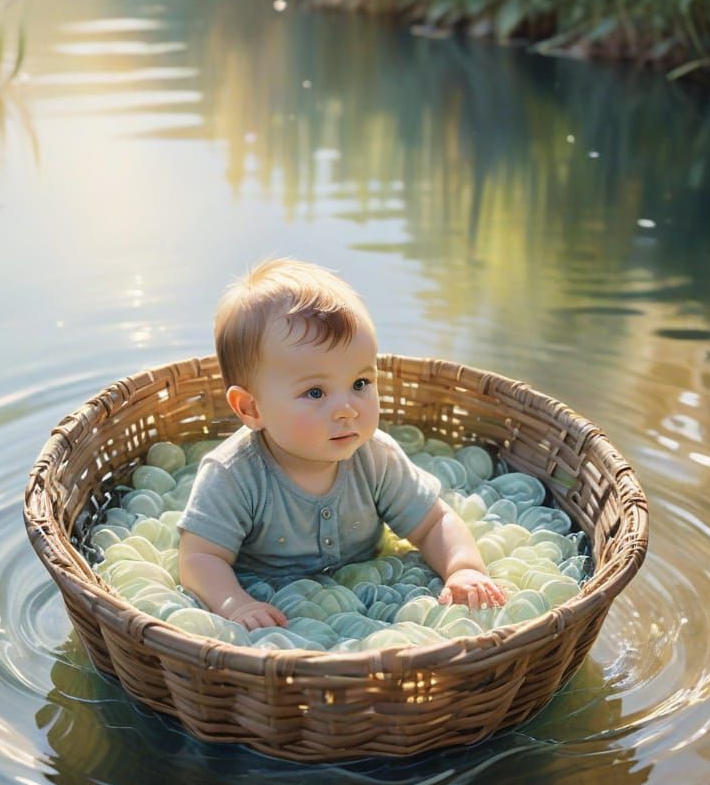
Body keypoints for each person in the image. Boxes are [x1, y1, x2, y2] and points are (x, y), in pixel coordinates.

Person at [177, 258, 506, 630]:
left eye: (360, 384)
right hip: (272, 602)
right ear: (251, 408)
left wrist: (462, 568)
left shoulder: (376, 457)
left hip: (365, 586)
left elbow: (433, 522)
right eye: (316, 392)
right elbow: (199, 557)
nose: (347, 409)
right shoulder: (233, 474)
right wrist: (236, 604)